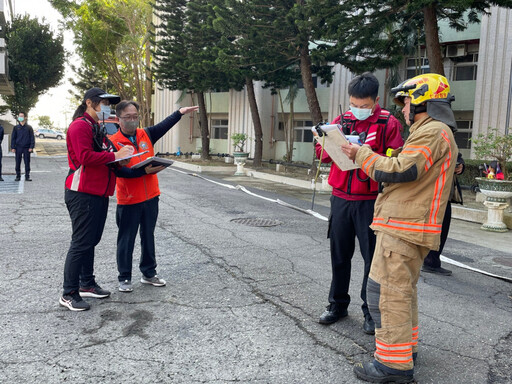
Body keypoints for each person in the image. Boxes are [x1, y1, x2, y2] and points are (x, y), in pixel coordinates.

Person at [341, 73, 458, 383]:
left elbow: (403, 170)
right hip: (406, 225)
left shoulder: (432, 131)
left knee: (386, 293)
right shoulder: (433, 131)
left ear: (421, 101)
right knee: (400, 291)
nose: (403, 109)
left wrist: (361, 154)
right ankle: (405, 351)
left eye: (406, 102)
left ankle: (393, 366)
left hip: (405, 227)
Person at [315, 72, 404, 334]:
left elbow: (394, 161)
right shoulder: (340, 121)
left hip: (371, 201)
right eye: (354, 104)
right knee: (339, 255)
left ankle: (370, 311)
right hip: (341, 197)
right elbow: (323, 155)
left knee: (371, 260)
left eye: (364, 106)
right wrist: (323, 140)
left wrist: (367, 154)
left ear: (376, 100)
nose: (359, 110)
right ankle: (337, 304)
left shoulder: (388, 123)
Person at [111, 101, 198, 293]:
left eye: (135, 116)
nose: (133, 120)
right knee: (126, 238)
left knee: (148, 235)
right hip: (129, 198)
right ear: (118, 119)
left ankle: (149, 273)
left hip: (151, 196)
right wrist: (144, 172)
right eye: (128, 117)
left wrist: (180, 113)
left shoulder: (146, 134)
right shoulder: (113, 141)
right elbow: (117, 171)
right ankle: (124, 277)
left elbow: (164, 125)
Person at [59, 88, 134, 311]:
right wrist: (115, 156)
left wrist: (119, 160)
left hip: (99, 192)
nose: (107, 107)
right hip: (82, 193)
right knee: (81, 243)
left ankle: (86, 284)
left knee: (90, 241)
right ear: (90, 103)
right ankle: (68, 292)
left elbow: (105, 154)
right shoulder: (80, 126)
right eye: (103, 103)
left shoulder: (97, 127)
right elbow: (84, 157)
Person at [422, 153, 465, 276]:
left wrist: (460, 165)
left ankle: (432, 260)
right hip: (434, 191)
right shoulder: (436, 136)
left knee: (442, 227)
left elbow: (457, 155)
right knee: (436, 227)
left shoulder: (447, 137)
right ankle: (430, 261)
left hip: (444, 192)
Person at [11, 112, 35, 181]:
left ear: (25, 118)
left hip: (27, 148)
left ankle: (27, 176)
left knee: (27, 162)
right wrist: (13, 147)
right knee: (17, 162)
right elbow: (13, 138)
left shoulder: (29, 128)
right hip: (18, 147)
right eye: (19, 116)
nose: (20, 117)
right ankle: (18, 176)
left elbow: (32, 138)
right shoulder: (16, 128)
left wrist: (31, 147)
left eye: (22, 116)